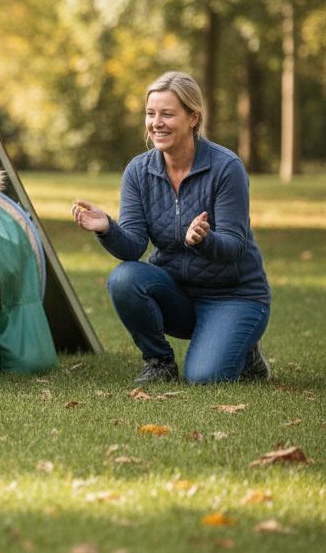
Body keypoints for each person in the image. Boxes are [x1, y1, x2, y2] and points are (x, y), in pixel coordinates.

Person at [71, 71, 271, 384]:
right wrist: (107, 227)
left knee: (205, 378)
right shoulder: (139, 171)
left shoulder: (225, 167)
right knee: (125, 278)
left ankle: (246, 352)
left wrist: (203, 240)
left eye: (167, 114)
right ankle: (159, 362)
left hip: (233, 295)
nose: (156, 123)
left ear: (193, 118)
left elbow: (234, 247)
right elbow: (134, 246)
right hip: (179, 294)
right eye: (151, 114)